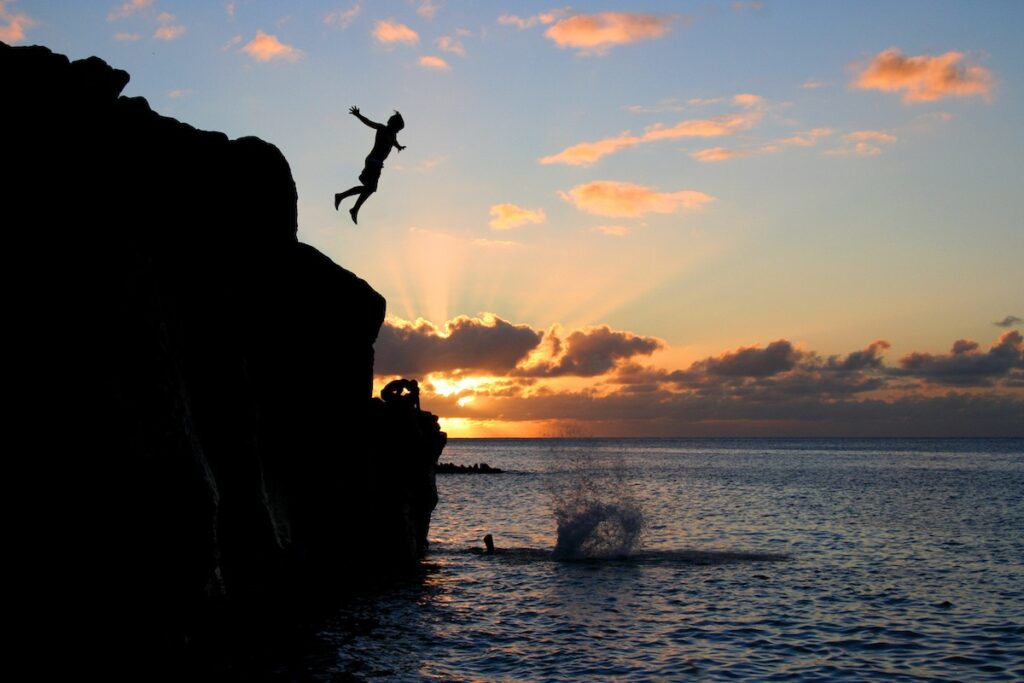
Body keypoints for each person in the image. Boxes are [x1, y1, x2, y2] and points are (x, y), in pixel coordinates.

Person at [335, 106, 405, 224]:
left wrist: (399, 146)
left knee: (370, 188)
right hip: (372, 161)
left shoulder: (393, 135)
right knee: (370, 188)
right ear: (392, 124)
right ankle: (343, 198)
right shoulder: (382, 128)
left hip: (378, 164)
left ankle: (352, 207)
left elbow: (394, 142)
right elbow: (368, 122)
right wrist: (358, 115)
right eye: (397, 129)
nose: (397, 132)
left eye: (398, 130)